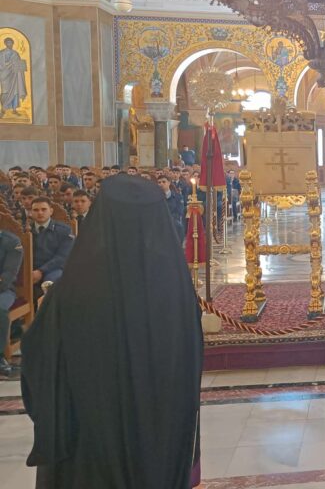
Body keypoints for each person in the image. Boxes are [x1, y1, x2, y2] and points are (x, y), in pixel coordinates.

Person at [21, 175, 203, 488]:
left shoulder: (72, 287)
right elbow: (191, 359)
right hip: (158, 431)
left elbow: (39, 358)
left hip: (90, 439)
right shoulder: (176, 284)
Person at [29, 198, 74, 289]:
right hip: (30, 269)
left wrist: (41, 271)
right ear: (31, 213)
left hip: (54, 269)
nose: (40, 213)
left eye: (44, 209)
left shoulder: (64, 230)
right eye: (36, 210)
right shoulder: (25, 231)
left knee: (50, 283)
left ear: (51, 211)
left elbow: (62, 257)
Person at [0, 229, 23, 377]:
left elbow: (9, 274)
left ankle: (0, 356)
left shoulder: (11, 241)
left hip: (4, 289)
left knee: (0, 309)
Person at [158, 176, 186, 242]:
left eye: (163, 182)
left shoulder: (177, 196)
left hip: (173, 221)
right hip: (159, 221)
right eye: (159, 182)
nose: (161, 184)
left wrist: (168, 219)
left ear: (169, 183)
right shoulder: (155, 197)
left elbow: (179, 211)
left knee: (178, 226)